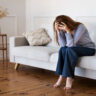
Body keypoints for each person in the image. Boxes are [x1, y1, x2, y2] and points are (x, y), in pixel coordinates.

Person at [53, 15, 96, 90]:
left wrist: (68, 31)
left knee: (70, 49)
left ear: (67, 23)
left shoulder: (80, 27)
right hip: (75, 49)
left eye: (61, 26)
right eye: (58, 26)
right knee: (62, 49)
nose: (61, 29)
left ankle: (69, 78)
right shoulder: (62, 30)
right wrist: (58, 31)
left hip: (89, 49)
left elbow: (71, 45)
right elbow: (63, 45)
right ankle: (61, 76)